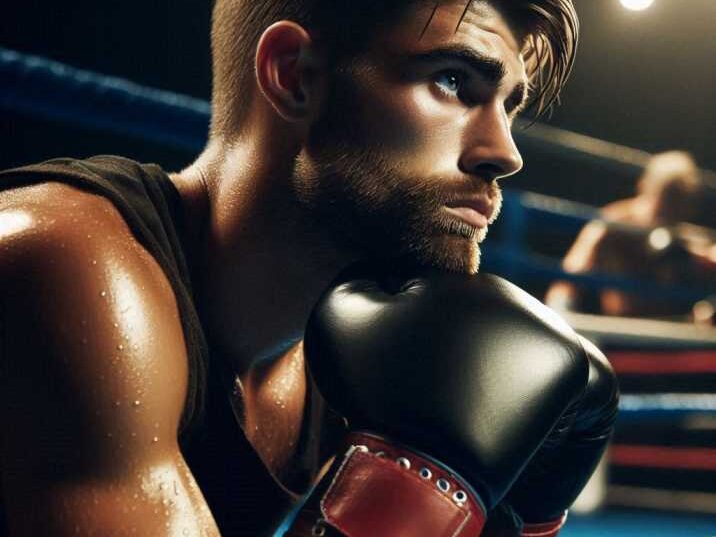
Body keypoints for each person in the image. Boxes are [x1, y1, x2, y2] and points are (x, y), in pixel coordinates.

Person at [0, 1, 616, 536]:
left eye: (509, 107)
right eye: (453, 81)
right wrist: (416, 495)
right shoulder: (67, 265)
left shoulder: (344, 364)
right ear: (294, 76)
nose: (504, 153)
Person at [545, 150, 715, 318]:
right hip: (625, 329)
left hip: (670, 329)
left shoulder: (683, 236)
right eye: (667, 197)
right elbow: (572, 273)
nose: (670, 209)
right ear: (647, 188)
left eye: (678, 202)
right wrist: (559, 314)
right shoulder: (614, 224)